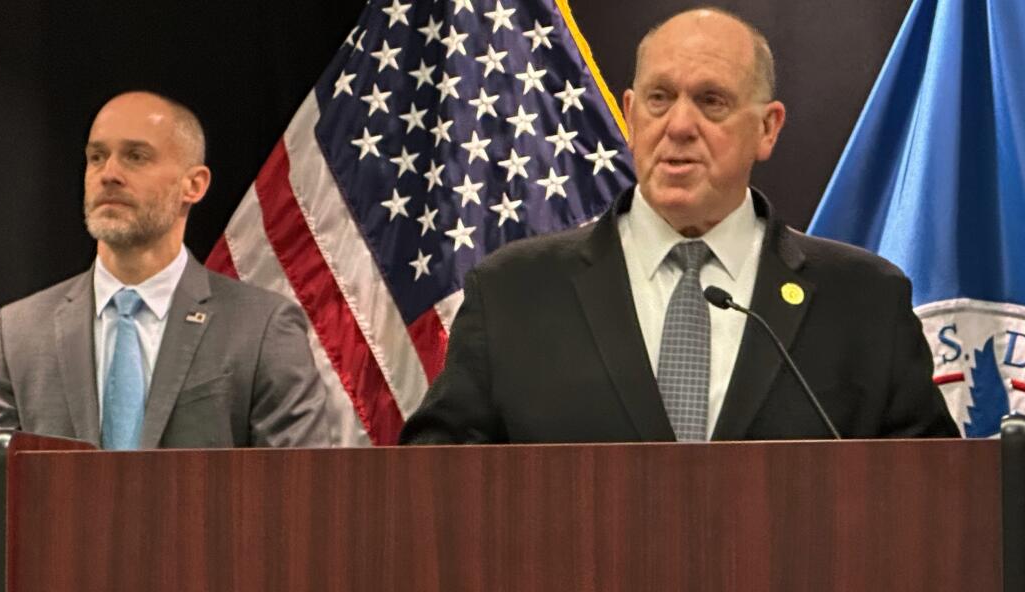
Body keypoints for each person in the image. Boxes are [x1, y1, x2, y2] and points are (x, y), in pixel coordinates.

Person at [399, 8, 958, 445]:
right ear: (630, 114)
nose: (679, 125)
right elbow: (433, 485)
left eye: (711, 101)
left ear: (767, 128)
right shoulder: (513, 293)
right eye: (659, 99)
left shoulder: (863, 301)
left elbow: (932, 496)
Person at [0, 91, 331, 557]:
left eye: (136, 157)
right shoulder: (19, 332)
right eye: (96, 157)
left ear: (193, 185)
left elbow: (300, 503)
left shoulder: (261, 328)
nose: (109, 173)